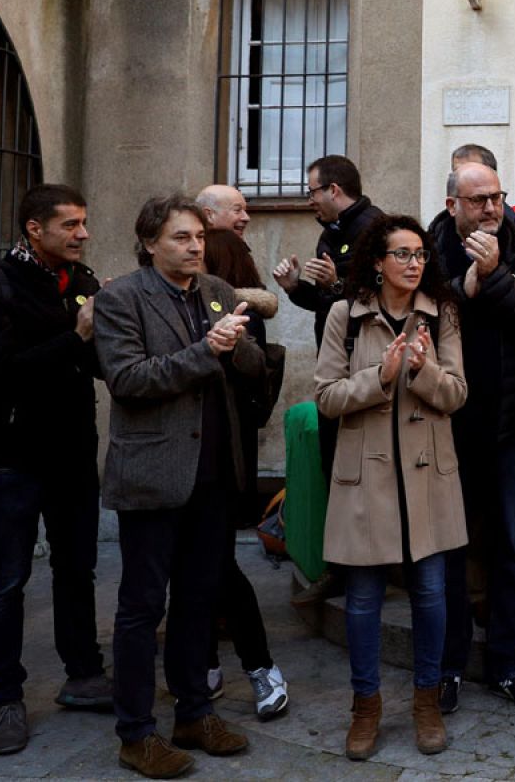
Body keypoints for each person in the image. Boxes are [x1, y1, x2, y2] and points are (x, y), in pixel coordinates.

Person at [95, 195, 264, 778]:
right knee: (142, 607)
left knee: (197, 600)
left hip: (214, 475)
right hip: (154, 476)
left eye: (197, 237)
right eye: (181, 238)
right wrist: (205, 350)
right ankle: (136, 733)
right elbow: (128, 378)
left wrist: (238, 343)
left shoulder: (216, 290)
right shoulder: (120, 299)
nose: (195, 247)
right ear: (149, 243)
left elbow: (251, 367)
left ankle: (193, 713)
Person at [0, 185, 110, 756]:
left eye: (83, 223)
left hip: (71, 455)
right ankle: (6, 699)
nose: (83, 234)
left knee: (77, 569)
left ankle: (85, 675)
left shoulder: (80, 282)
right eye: (70, 225)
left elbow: (94, 366)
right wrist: (78, 334)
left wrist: (108, 324)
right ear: (33, 229)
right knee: (7, 581)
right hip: (10, 458)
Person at [315, 214, 468, 760]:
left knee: (430, 593)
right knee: (362, 600)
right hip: (367, 478)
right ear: (377, 262)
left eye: (420, 254)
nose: (414, 263)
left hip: (427, 473)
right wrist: (380, 377)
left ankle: (426, 702)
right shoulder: (345, 316)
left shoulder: (440, 314)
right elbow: (326, 397)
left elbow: (455, 395)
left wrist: (423, 370)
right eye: (402, 254)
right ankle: (366, 707)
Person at [430, 161, 515, 713]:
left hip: (512, 425)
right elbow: (423, 312)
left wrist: (498, 276)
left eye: (497, 198)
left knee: (510, 548)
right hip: (447, 426)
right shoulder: (428, 248)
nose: (490, 209)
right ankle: (449, 665)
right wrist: (465, 285)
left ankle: (508, 664)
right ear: (453, 202)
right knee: (451, 550)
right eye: (478, 200)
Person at [194, 184, 289, 719]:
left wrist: (236, 310)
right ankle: (203, 662)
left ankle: (248, 663)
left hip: (225, 432)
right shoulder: (153, 291)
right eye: (238, 209)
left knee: (217, 555)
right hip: (189, 445)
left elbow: (255, 338)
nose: (246, 216)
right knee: (196, 561)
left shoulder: (221, 271)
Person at [272, 155, 385, 347]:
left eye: (312, 192)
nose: (310, 201)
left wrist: (336, 284)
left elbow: (382, 296)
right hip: (332, 350)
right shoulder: (330, 233)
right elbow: (324, 302)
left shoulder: (376, 229)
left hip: (363, 350)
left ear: (333, 190)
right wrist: (294, 287)